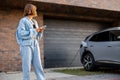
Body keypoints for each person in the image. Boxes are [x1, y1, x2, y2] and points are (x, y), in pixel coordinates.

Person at [16, 4, 45, 80]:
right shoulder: (23, 21)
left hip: (35, 44)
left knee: (38, 64)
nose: (35, 11)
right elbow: (20, 33)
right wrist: (34, 30)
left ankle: (41, 79)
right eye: (34, 9)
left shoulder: (35, 22)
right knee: (26, 65)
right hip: (26, 45)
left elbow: (37, 37)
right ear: (30, 10)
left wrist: (40, 31)